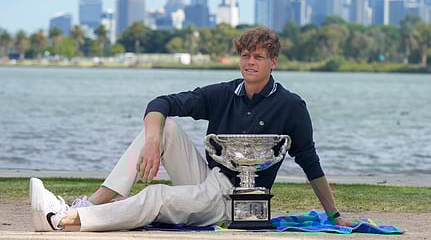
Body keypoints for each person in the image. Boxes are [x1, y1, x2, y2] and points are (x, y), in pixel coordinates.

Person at [30, 26, 353, 232]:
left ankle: (65, 220)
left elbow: (310, 161)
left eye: (258, 56)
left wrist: (333, 215)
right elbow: (162, 102)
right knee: (163, 126)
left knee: (156, 193)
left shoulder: (291, 105)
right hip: (206, 179)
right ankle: (93, 203)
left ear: (274, 62)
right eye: (244, 55)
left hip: (231, 199)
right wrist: (155, 142)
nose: (249, 62)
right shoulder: (224, 93)